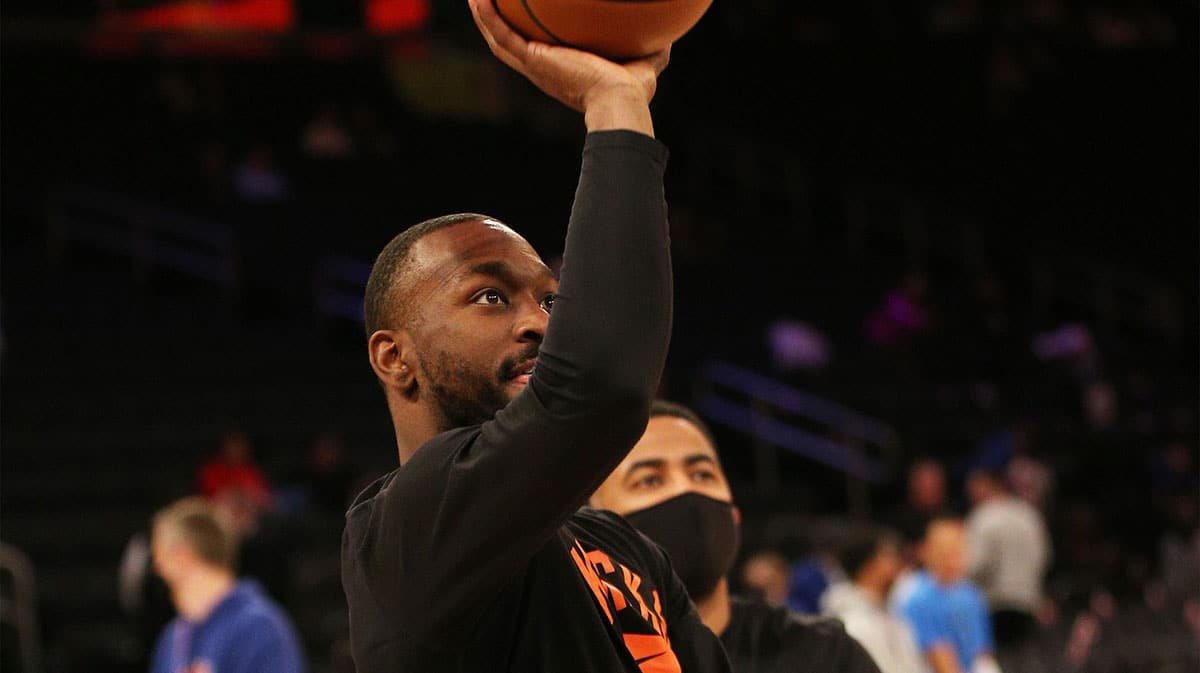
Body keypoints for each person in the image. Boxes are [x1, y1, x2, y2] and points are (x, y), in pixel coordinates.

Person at [340, 3, 730, 672]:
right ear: (393, 356)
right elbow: (600, 383)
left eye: (552, 300)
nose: (540, 322)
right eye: (490, 296)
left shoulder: (621, 547)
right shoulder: (407, 531)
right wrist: (615, 103)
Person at [589, 399, 881, 673]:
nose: (685, 490)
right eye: (649, 480)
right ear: (592, 526)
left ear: (735, 516)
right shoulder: (576, 657)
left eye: (702, 474)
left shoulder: (826, 655)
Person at [149, 497, 305, 673]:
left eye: (160, 556)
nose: (157, 569)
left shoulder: (260, 628)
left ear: (182, 557)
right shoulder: (172, 637)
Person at [894, 518, 999, 673]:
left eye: (958, 550)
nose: (952, 559)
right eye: (945, 551)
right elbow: (940, 659)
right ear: (926, 551)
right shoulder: (916, 597)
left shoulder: (970, 594)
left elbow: (981, 654)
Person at [964, 467, 1051, 651]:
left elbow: (977, 565)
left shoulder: (983, 516)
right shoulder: (1029, 514)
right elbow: (1044, 556)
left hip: (994, 605)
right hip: (1028, 603)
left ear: (987, 486)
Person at [821, 525, 926, 673]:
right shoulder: (852, 624)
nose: (896, 563)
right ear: (868, 566)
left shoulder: (889, 614)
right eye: (887, 556)